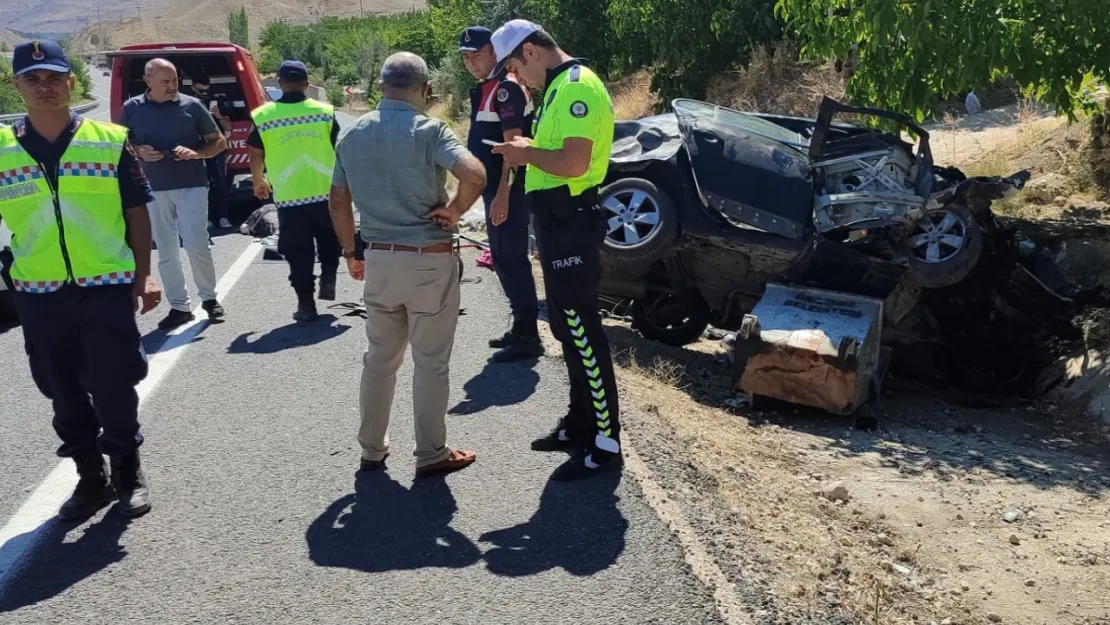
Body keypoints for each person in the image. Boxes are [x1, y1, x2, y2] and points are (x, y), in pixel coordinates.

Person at [1, 40, 163, 518]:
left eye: (54, 77)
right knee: (61, 389)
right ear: (16, 86)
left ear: (72, 82)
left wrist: (144, 275)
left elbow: (136, 212)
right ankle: (90, 479)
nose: (44, 86)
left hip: (104, 285)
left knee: (114, 384)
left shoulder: (109, 139)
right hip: (38, 291)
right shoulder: (4, 150)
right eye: (32, 79)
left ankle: (127, 469)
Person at [329, 52, 486, 479]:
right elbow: (474, 174)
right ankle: (431, 453)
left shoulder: (352, 135)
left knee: (380, 358)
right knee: (430, 361)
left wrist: (350, 253)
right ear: (425, 90)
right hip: (428, 260)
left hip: (379, 257)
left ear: (381, 87)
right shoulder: (430, 130)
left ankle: (372, 449)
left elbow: (338, 201)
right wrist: (454, 211)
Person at [489, 20, 623, 481]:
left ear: (529, 51)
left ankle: (607, 440)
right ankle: (582, 421)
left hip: (570, 222)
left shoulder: (574, 87)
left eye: (513, 65)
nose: (515, 76)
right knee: (568, 330)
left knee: (583, 330)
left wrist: (526, 154)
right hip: (554, 221)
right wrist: (527, 149)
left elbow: (573, 163)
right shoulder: (556, 90)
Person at [119, 58, 227, 330]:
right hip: (153, 189)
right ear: (148, 81)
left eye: (175, 81)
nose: (171, 86)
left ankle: (210, 299)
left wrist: (197, 153)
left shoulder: (191, 105)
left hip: (192, 184)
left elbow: (219, 141)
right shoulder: (131, 108)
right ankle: (179, 306)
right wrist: (139, 151)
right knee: (166, 250)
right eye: (165, 82)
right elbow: (122, 141)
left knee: (196, 243)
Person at [458, 26, 543, 362]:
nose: (470, 62)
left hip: (507, 190)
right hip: (494, 189)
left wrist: (503, 194)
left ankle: (528, 335)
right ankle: (521, 326)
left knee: (512, 258)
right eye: (465, 57)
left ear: (495, 52)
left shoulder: (506, 89)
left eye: (477, 54)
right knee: (503, 258)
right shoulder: (490, 88)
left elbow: (514, 146)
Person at [249, 60, 343, 322]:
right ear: (305, 84)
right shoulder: (324, 111)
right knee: (329, 238)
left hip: (290, 197)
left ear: (280, 84)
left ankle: (306, 305)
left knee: (298, 252)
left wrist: (259, 180)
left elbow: (255, 153)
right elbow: (340, 148)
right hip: (326, 192)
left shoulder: (264, 115)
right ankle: (329, 275)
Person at [190, 74, 234, 230]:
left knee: (220, 183)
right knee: (201, 186)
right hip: (196, 149)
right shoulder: (187, 103)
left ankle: (222, 216)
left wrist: (219, 116)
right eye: (200, 90)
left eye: (206, 90)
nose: (204, 94)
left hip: (216, 149)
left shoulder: (217, 103)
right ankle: (206, 218)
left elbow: (229, 127)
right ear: (193, 87)